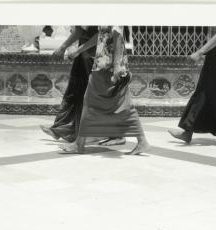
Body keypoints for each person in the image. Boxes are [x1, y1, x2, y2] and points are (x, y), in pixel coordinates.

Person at [60, 26, 150, 155]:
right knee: (124, 105)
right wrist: (79, 50)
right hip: (105, 63)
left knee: (90, 102)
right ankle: (142, 141)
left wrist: (116, 65)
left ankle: (79, 144)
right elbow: (101, 36)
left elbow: (117, 35)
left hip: (107, 66)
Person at [40, 26, 125, 146]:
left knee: (94, 96)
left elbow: (103, 35)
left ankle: (110, 134)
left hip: (98, 56)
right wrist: (64, 47)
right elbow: (80, 30)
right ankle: (65, 129)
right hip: (84, 53)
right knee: (76, 92)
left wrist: (78, 50)